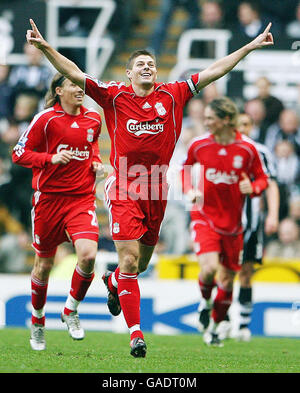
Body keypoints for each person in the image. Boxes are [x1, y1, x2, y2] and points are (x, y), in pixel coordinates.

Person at [26, 18, 274, 357]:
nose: (147, 67)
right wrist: (44, 48)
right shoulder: (113, 94)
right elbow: (74, 71)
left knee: (137, 266)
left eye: (151, 64)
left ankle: (113, 283)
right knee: (128, 261)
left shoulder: (174, 94)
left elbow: (215, 70)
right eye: (140, 64)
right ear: (129, 73)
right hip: (126, 182)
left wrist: (248, 47)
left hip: (157, 189)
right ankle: (136, 336)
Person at [12, 72, 104, 351]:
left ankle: (70, 310)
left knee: (88, 256)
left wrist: (97, 163)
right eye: (74, 85)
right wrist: (49, 158)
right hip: (49, 201)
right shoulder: (45, 119)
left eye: (82, 85)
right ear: (59, 90)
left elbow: (92, 147)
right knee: (44, 265)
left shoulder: (94, 118)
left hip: (81, 200)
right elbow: (18, 153)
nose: (80, 89)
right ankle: (37, 321)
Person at [181, 97, 269, 346]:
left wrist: (251, 187)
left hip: (233, 224)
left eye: (211, 118)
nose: (206, 122)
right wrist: (189, 190)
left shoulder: (247, 149)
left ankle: (216, 327)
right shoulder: (199, 145)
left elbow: (263, 180)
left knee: (228, 279)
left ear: (226, 120)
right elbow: (185, 168)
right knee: (209, 269)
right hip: (204, 217)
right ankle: (206, 303)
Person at [231, 112, 279, 342]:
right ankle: (221, 320)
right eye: (239, 124)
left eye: (246, 124)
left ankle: (242, 325)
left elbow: (270, 185)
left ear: (251, 126)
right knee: (224, 271)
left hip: (251, 224)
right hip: (225, 222)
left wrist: (273, 215)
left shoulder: (260, 152)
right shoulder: (224, 150)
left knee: (246, 272)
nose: (243, 128)